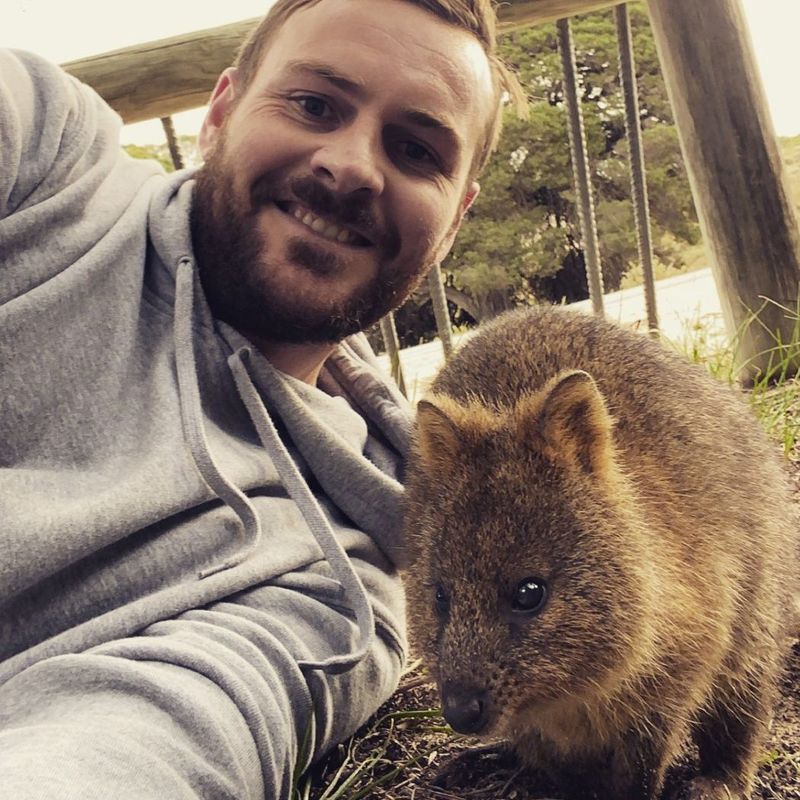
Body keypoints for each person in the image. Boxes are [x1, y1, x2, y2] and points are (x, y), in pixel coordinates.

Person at [0, 0, 518, 797]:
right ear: (220, 112)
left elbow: (146, 739)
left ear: (454, 224)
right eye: (313, 105)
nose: (350, 165)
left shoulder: (348, 585)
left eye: (416, 150)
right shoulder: (50, 159)